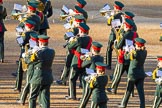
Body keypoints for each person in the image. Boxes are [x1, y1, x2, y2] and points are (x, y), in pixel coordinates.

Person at [109, 18, 138, 94]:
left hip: (122, 56)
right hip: (130, 56)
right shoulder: (135, 34)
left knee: (118, 74)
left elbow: (118, 46)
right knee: (129, 75)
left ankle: (113, 88)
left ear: (126, 26)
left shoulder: (124, 35)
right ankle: (131, 91)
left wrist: (115, 43)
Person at [56, 14, 85, 86]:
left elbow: (65, 37)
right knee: (81, 67)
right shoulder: (83, 28)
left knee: (67, 65)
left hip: (72, 50)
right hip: (80, 51)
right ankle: (82, 83)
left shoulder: (74, 29)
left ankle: (63, 80)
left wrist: (69, 29)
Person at [65, 23, 92, 100]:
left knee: (72, 78)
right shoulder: (89, 39)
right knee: (83, 78)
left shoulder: (78, 39)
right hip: (85, 60)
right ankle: (84, 95)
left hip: (76, 60)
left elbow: (70, 46)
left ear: (80, 30)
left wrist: (71, 40)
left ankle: (72, 95)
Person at [118, 37, 147, 108]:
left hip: (133, 74)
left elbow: (126, 58)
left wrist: (127, 51)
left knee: (128, 91)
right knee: (141, 92)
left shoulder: (135, 53)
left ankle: (123, 104)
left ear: (137, 45)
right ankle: (142, 106)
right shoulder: (144, 52)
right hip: (140, 74)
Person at [29, 35, 55, 108]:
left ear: (40, 43)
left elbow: (29, 61)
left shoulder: (38, 53)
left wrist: (29, 54)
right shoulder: (52, 51)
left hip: (37, 77)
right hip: (48, 76)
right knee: (45, 98)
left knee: (32, 97)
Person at [79, 41, 104, 108]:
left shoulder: (91, 58)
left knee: (86, 96)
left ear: (92, 49)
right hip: (97, 78)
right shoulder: (101, 58)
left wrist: (86, 58)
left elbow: (82, 65)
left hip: (90, 78)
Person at [14, 19, 37, 92]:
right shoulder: (36, 33)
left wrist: (18, 36)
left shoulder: (25, 34)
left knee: (20, 70)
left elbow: (21, 43)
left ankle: (18, 87)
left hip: (24, 52)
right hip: (33, 54)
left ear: (27, 26)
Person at [16, 33, 39, 105]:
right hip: (39, 70)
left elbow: (28, 60)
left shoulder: (31, 48)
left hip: (31, 68)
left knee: (28, 83)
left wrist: (25, 56)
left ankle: (22, 99)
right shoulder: (40, 47)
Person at [106, 1, 124, 69]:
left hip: (114, 34)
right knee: (118, 50)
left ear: (116, 8)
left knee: (109, 49)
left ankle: (108, 65)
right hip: (120, 35)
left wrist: (109, 17)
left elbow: (109, 24)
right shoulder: (123, 15)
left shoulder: (115, 16)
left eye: (114, 7)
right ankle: (118, 65)